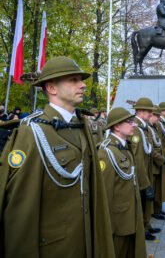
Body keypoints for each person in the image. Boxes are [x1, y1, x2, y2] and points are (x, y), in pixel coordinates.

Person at [0, 57, 115, 258]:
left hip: (83, 241)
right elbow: (21, 211)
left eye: (81, 79)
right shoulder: (32, 133)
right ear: (52, 88)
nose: (82, 85)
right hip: (54, 248)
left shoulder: (81, 126)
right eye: (73, 80)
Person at [97, 107, 146, 258]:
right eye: (129, 122)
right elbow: (104, 194)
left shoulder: (123, 147)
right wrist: (108, 226)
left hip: (129, 215)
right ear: (117, 126)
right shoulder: (106, 153)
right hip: (118, 220)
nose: (134, 125)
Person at [129, 97, 156, 241]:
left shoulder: (143, 128)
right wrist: (145, 182)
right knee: (141, 201)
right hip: (141, 174)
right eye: (148, 111)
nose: (151, 114)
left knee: (146, 202)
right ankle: (142, 229)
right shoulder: (137, 130)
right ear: (139, 111)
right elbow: (138, 159)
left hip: (146, 170)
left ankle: (146, 225)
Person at [148, 106, 165, 225]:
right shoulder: (148, 128)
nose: (158, 118)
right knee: (153, 188)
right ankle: (152, 213)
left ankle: (156, 210)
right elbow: (151, 149)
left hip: (160, 159)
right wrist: (163, 160)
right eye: (157, 116)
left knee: (158, 187)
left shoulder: (155, 126)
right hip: (154, 162)